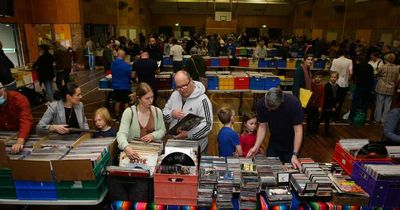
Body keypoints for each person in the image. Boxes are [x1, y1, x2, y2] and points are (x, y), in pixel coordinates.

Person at [246, 88, 304, 169]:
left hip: (292, 144)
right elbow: (262, 127)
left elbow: (298, 131)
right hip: (274, 142)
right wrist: (256, 146)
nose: (268, 109)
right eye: (267, 106)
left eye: (271, 108)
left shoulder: (293, 104)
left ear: (280, 103)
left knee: (288, 171)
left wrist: (295, 154)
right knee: (271, 168)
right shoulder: (261, 104)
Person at [163, 70, 213, 154]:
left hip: (195, 149)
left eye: (184, 86)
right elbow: (164, 114)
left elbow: (207, 125)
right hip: (175, 145)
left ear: (191, 80)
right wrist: (171, 114)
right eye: (178, 87)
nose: (182, 90)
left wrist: (188, 134)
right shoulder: (175, 95)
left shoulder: (203, 100)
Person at [117, 83, 166, 160]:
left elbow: (162, 130)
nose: (151, 101)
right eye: (147, 98)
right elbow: (121, 134)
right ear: (139, 98)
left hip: (152, 154)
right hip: (133, 153)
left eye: (152, 97)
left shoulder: (157, 111)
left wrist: (153, 135)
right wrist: (126, 147)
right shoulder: (129, 112)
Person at [0, 82, 32, 153]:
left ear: (4, 90)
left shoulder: (19, 99)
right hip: (4, 135)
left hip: (20, 134)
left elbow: (26, 120)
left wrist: (20, 141)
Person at [374, 53, 400, 124]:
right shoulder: (396, 68)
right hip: (391, 88)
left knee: (379, 103)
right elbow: (397, 78)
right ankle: (384, 120)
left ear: (386, 59)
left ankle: (377, 119)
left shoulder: (383, 66)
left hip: (382, 87)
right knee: (387, 105)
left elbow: (377, 74)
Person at [349, 55, 374, 122]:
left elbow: (353, 76)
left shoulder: (357, 66)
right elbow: (372, 78)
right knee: (365, 103)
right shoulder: (370, 66)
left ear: (358, 60)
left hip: (360, 86)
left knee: (355, 102)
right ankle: (363, 117)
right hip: (368, 87)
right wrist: (372, 88)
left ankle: (351, 117)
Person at [330, 49, 353, 121]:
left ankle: (331, 116)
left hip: (335, 82)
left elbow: (332, 71)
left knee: (333, 100)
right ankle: (337, 117)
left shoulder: (335, 60)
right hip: (344, 83)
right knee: (340, 101)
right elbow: (351, 73)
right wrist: (348, 80)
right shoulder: (350, 61)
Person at [112, 50, 134, 117]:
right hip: (125, 86)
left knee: (117, 101)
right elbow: (131, 75)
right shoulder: (126, 65)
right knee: (126, 102)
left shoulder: (113, 64)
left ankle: (117, 115)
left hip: (116, 86)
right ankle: (126, 116)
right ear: (123, 55)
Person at [306, 71, 324, 136]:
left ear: (321, 78)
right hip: (310, 104)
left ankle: (313, 131)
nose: (318, 78)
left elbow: (322, 97)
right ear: (314, 78)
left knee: (314, 119)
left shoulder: (322, 87)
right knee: (309, 118)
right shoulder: (312, 85)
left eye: (319, 77)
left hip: (316, 105)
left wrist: (320, 106)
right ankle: (308, 130)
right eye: (316, 77)